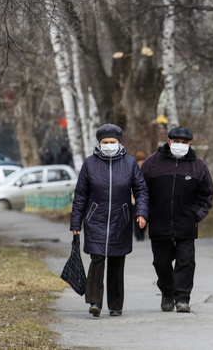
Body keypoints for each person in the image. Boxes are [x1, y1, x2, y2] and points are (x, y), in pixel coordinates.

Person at [70, 124, 148, 317]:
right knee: (97, 260)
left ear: (119, 143)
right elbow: (80, 195)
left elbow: (141, 191)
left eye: (112, 142)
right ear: (99, 143)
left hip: (120, 220)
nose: (109, 145)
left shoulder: (129, 164)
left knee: (116, 262)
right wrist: (75, 223)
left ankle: (115, 305)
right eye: (105, 142)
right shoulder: (90, 164)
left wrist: (141, 212)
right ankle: (95, 302)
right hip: (95, 219)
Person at [141, 126, 213, 313]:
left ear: (190, 144)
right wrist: (149, 212)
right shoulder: (152, 163)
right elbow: (142, 191)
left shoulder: (198, 166)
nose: (180, 145)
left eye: (184, 143)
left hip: (186, 224)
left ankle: (182, 299)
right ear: (168, 142)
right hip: (159, 223)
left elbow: (207, 194)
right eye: (176, 142)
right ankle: (167, 293)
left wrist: (195, 214)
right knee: (161, 262)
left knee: (186, 262)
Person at [133, 152, 148, 241]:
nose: (141, 162)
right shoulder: (134, 169)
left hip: (144, 199)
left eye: (142, 160)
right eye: (139, 160)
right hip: (133, 200)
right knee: (136, 218)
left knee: (144, 216)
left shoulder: (146, 169)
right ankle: (138, 234)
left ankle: (142, 233)